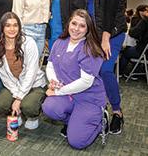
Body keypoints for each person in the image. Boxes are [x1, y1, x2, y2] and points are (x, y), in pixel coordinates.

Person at [42, 9, 107, 149]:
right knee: (49, 107)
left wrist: (58, 92)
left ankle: (100, 120)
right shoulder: (60, 42)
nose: (76, 29)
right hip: (69, 95)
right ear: (68, 23)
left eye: (82, 26)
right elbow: (50, 66)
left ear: (88, 29)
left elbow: (85, 82)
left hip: (88, 99)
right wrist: (53, 81)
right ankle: (74, 122)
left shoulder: (90, 48)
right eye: (74, 23)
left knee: (77, 142)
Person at [85, 0, 127, 134]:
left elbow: (110, 14)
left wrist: (105, 38)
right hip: (93, 35)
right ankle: (95, 109)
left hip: (112, 35)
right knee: (90, 72)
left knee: (105, 69)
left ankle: (117, 111)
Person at [0, 12, 46, 130]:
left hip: (34, 84)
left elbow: (31, 73)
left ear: (19, 27)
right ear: (2, 28)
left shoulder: (29, 43)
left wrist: (19, 98)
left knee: (29, 107)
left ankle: (32, 117)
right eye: (8, 25)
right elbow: (4, 77)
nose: (12, 29)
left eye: (15, 25)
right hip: (14, 85)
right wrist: (17, 96)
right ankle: (17, 112)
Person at [120, 7, 148, 77]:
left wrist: (129, 30)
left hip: (143, 51)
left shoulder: (145, 21)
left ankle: (121, 72)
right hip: (145, 51)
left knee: (126, 52)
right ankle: (136, 71)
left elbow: (134, 33)